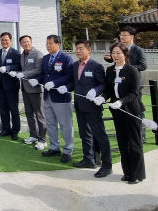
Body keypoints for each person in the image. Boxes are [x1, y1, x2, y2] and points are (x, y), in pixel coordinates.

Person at [99, 42, 146, 184]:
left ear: (125, 54)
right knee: (122, 142)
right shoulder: (110, 70)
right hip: (117, 111)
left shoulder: (132, 70)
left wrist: (121, 101)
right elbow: (108, 88)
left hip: (131, 111)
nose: (115, 56)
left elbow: (134, 93)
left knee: (134, 142)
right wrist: (102, 97)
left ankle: (137, 174)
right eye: (113, 53)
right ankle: (127, 173)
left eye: (118, 53)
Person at [71, 39, 112, 178]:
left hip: (93, 106)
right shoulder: (75, 65)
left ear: (89, 50)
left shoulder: (96, 66)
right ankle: (88, 159)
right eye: (77, 49)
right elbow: (75, 83)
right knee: (84, 134)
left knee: (100, 135)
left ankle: (107, 165)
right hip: (79, 105)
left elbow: (103, 84)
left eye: (81, 48)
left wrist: (95, 91)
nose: (78, 51)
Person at [39, 34, 75, 163]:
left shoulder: (66, 58)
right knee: (50, 123)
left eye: (50, 43)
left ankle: (68, 150)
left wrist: (56, 83)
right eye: (47, 43)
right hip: (48, 96)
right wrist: (36, 80)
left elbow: (70, 76)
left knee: (65, 125)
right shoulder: (45, 58)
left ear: (58, 44)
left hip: (61, 97)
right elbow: (44, 75)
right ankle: (54, 147)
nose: (48, 46)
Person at [18, 35, 46, 150]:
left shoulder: (38, 54)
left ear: (31, 42)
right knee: (29, 113)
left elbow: (38, 70)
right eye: (23, 42)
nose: (26, 44)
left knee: (40, 114)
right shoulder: (22, 55)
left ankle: (42, 139)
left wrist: (24, 74)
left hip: (35, 89)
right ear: (21, 44)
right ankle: (33, 135)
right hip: (25, 88)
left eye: (27, 41)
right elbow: (22, 68)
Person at [0, 32, 22, 139]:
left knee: (13, 109)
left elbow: (18, 65)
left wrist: (8, 68)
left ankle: (15, 131)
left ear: (11, 40)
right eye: (2, 40)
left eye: (6, 40)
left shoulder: (15, 53)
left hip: (12, 85)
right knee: (3, 108)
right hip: (1, 84)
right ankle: (6, 129)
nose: (4, 42)